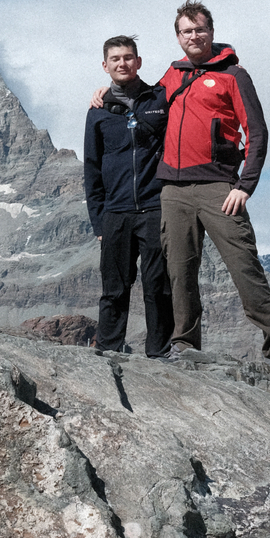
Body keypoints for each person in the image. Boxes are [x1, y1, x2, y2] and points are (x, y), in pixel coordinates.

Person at [156, 0, 270, 370]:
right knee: (180, 271)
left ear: (211, 32)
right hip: (173, 191)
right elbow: (143, 106)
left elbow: (257, 132)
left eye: (200, 29)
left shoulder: (233, 75)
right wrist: (106, 95)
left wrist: (245, 185)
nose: (194, 36)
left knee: (243, 263)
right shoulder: (171, 75)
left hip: (219, 188)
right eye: (186, 31)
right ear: (178, 37)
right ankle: (184, 345)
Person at [83, 36, 174, 358]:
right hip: (116, 213)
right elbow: (92, 170)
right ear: (105, 65)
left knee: (158, 287)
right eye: (115, 59)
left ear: (138, 62)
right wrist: (99, 222)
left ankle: (160, 354)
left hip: (155, 208)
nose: (122, 63)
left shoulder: (161, 99)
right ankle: (108, 350)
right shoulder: (98, 111)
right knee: (114, 289)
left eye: (128, 57)